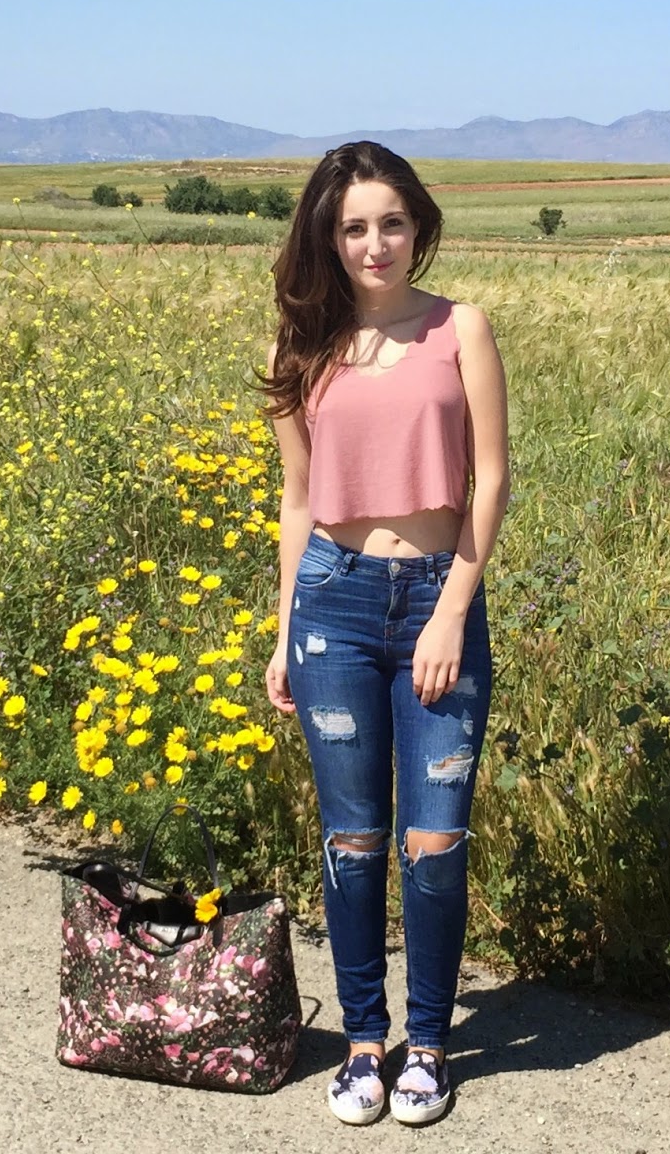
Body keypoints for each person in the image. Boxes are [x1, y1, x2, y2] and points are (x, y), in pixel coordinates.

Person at [262, 140, 510, 1126]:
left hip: (439, 598)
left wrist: (451, 608)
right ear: (328, 238)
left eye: (392, 223)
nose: (376, 244)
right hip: (333, 602)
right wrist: (283, 631)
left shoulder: (461, 329)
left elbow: (490, 481)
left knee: (434, 840)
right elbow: (296, 502)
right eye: (355, 227)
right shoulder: (300, 350)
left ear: (418, 226)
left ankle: (431, 1044)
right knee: (355, 838)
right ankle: (365, 1041)